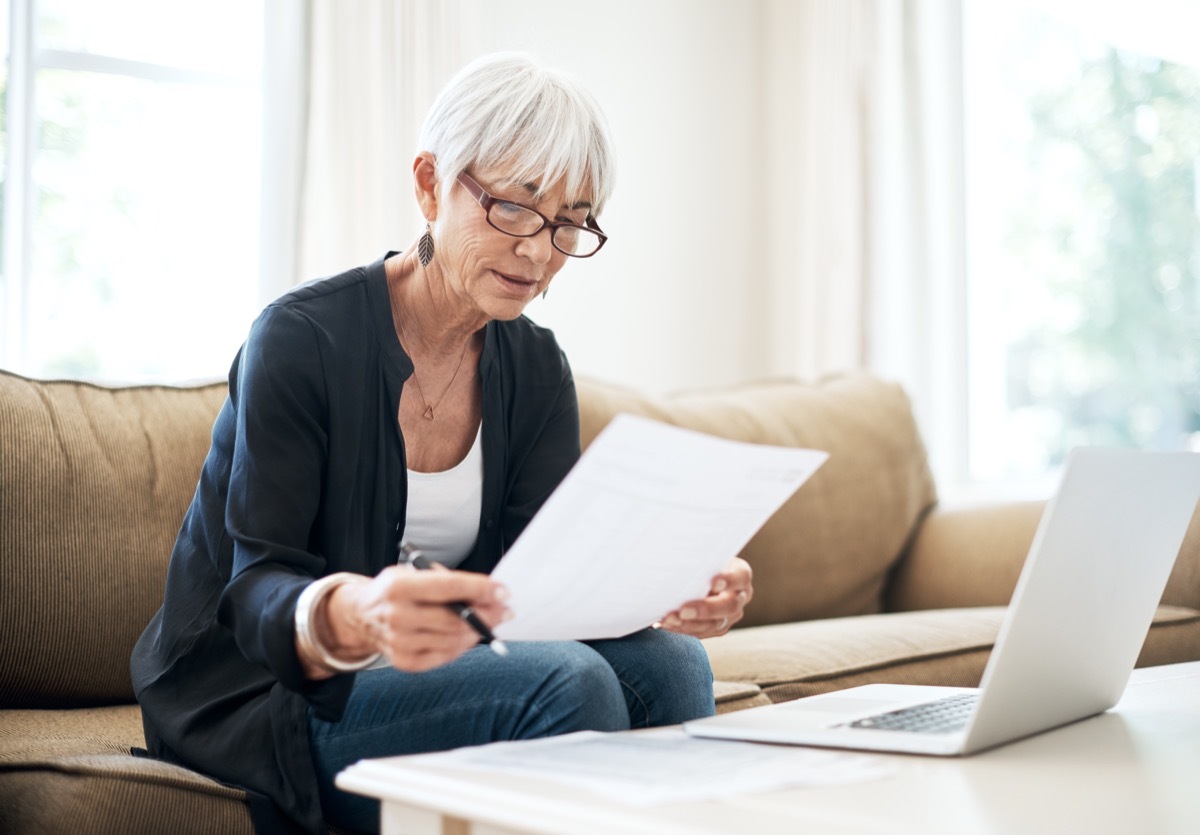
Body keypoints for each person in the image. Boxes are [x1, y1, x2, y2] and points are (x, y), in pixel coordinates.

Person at [131, 52, 753, 835]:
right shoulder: (301, 339)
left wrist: (662, 580)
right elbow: (257, 585)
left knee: (669, 665)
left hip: (430, 671)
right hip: (267, 691)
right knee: (568, 683)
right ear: (429, 183)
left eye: (569, 221)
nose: (538, 249)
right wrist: (354, 610)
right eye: (513, 207)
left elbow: (543, 582)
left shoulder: (534, 367)